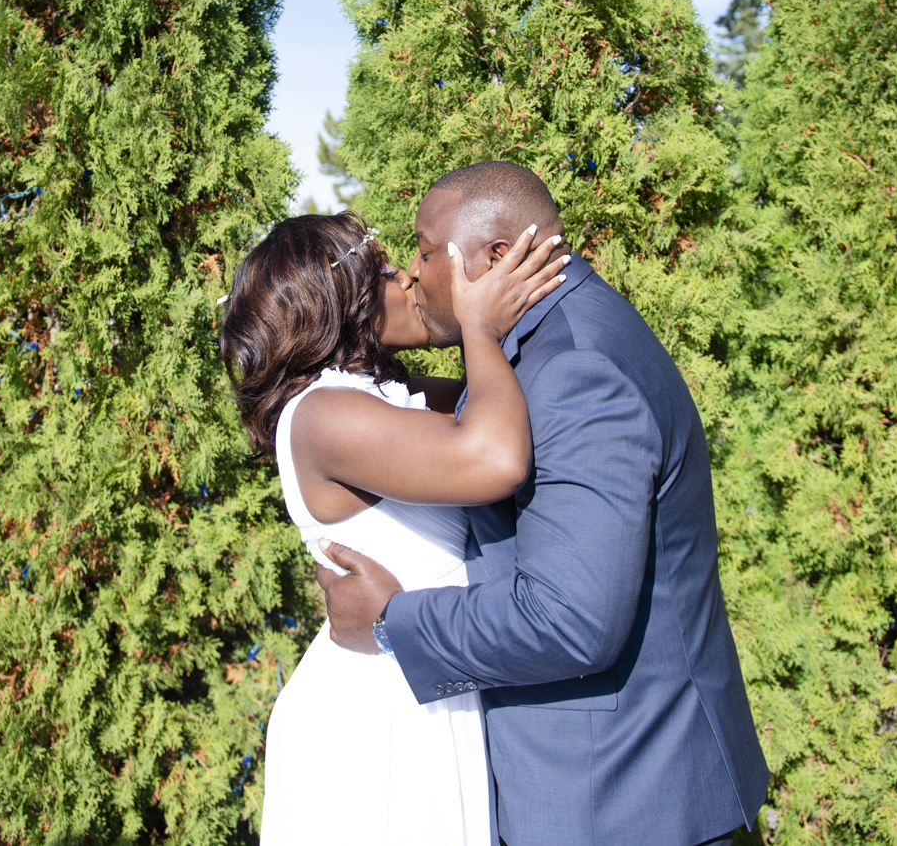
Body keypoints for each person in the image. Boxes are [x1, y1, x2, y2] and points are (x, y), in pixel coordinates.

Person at [316, 161, 770, 846]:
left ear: (496, 258)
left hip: (630, 806)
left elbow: (569, 620)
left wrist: (391, 620)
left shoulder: (575, 369)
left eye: (425, 250)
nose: (410, 271)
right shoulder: (538, 345)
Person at [220, 210, 568, 846]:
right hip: (378, 714)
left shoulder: (382, 394)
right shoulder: (323, 414)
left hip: (422, 677)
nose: (408, 274)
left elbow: (500, 406)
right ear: (342, 305)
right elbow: (494, 456)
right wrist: (478, 326)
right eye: (382, 270)